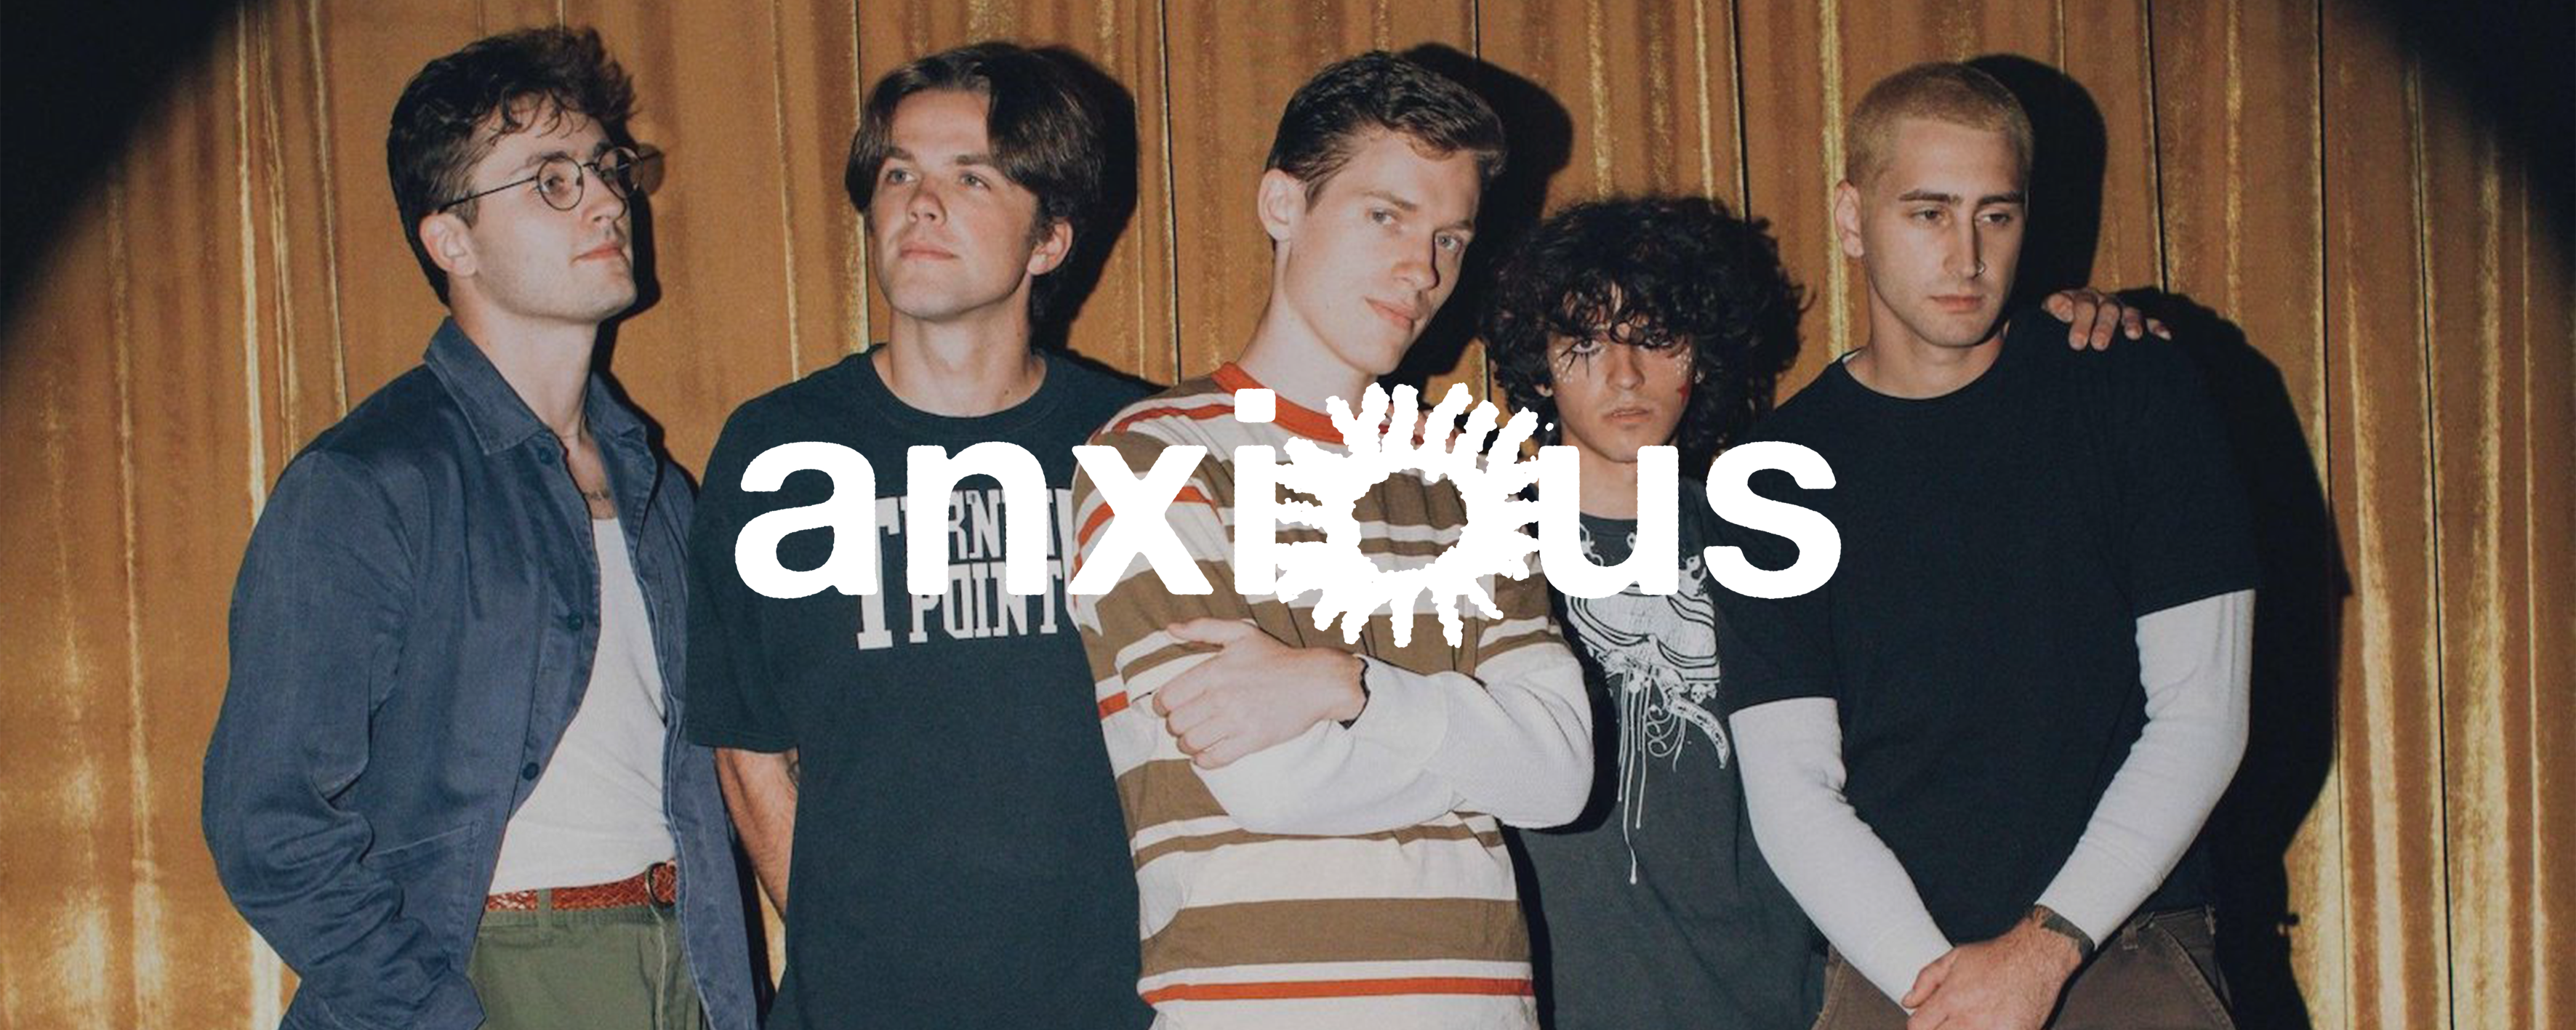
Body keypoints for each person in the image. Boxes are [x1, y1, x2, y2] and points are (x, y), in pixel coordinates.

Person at [201, 26, 755, 1030]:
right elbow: (267, 822)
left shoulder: (661, 490)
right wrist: (432, 1014)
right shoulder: (369, 484)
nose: (605, 200)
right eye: (551, 181)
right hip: (496, 963)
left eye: (606, 168)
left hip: (689, 958)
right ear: (450, 241)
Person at [1710, 62, 2259, 1030]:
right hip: (1898, 973)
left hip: (2121, 948)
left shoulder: (2132, 388)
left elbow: (2202, 714)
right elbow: (1789, 785)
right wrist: (1944, 991)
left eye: (1994, 215)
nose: (1965, 256)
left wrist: (2040, 954)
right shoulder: (1769, 474)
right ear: (1852, 218)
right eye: (1927, 213)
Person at [1069, 51, 1592, 1029]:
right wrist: (1482, 751)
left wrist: (1342, 687)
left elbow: (1561, 776)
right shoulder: (1153, 456)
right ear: (1283, 204)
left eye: (1449, 238)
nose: (1422, 271)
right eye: (1385, 215)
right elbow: (1267, 782)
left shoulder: (1467, 478)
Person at [682, 41, 1154, 1029]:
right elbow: (746, 746)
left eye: (970, 177)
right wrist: (849, 955)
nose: (920, 204)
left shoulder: (1139, 448)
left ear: (1050, 240)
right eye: (899, 174)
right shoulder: (778, 452)